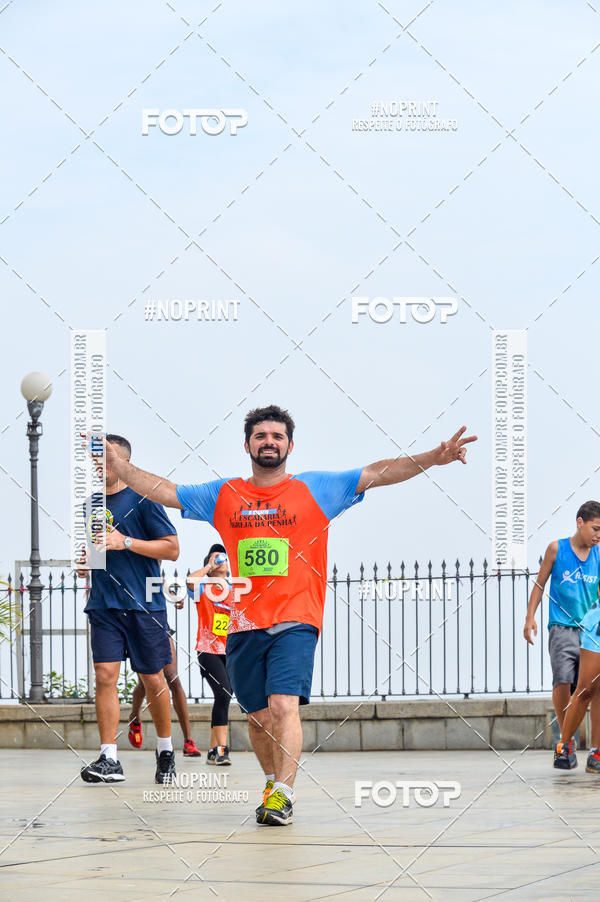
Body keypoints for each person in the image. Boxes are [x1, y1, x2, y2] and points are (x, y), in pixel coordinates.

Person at [102, 406, 476, 824]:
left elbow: (378, 472)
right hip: (243, 625)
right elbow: (168, 491)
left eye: (277, 436)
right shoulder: (224, 494)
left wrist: (433, 457)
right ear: (247, 445)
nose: (269, 442)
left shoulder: (315, 488)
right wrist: (122, 467)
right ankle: (271, 782)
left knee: (283, 705)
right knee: (258, 718)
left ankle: (283, 793)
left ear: (290, 446)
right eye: (260, 436)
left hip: (296, 620)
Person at [78, 434, 180, 785]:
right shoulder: (91, 505)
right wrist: (86, 563)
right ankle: (109, 758)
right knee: (105, 676)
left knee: (152, 678)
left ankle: (165, 751)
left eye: (106, 459)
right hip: (104, 604)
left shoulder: (145, 498)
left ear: (124, 462)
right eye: (96, 459)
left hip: (144, 605)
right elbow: (97, 550)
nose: (100, 466)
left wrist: (126, 542)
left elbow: (172, 549)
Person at [538, 503, 600, 771]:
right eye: (596, 528)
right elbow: (539, 583)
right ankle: (565, 743)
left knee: (596, 689)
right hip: (571, 626)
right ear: (580, 522)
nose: (598, 535)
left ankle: (596, 752)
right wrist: (530, 617)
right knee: (576, 685)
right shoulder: (558, 549)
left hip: (590, 626)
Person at [127, 599, 202, 757]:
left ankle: (188, 741)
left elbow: (160, 585)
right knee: (146, 683)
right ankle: (134, 717)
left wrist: (176, 596)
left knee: (173, 678)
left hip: (157, 621)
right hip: (133, 622)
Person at [186, 543, 234, 765]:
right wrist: (208, 567)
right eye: (215, 558)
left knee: (223, 697)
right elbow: (189, 581)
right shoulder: (203, 587)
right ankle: (222, 750)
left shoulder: (236, 589)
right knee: (224, 693)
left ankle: (213, 750)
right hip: (208, 650)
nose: (220, 561)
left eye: (223, 557)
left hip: (229, 651)